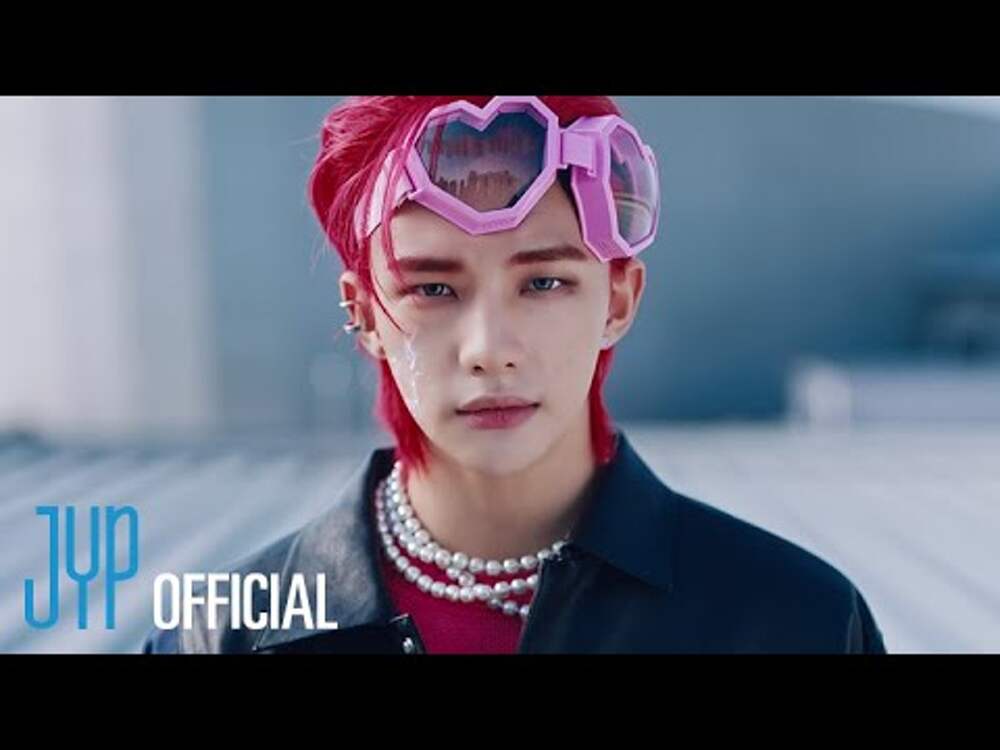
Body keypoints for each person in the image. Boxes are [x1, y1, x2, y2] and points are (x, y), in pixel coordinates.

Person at [142, 95, 887, 654]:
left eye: (544, 283)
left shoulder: (793, 621)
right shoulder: (220, 634)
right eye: (434, 288)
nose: (490, 349)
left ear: (617, 300)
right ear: (364, 313)